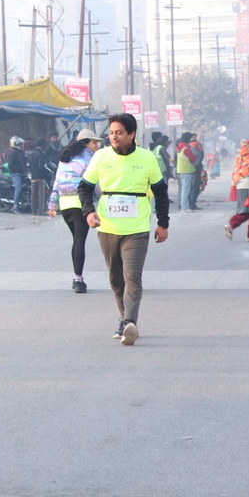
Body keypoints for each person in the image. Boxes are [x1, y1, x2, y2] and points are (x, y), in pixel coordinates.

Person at [78, 112, 170, 345]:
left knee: (133, 276)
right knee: (116, 279)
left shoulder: (147, 158)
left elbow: (160, 191)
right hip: (107, 227)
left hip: (137, 228)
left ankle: (130, 322)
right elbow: (84, 188)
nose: (114, 137)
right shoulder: (101, 157)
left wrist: (163, 223)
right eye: (111, 133)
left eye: (119, 133)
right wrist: (89, 212)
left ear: (131, 134)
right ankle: (124, 319)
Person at [48, 133, 102, 292]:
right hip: (80, 203)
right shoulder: (90, 158)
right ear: (86, 143)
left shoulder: (65, 157)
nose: (97, 146)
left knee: (77, 240)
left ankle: (76, 278)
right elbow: (95, 183)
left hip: (65, 205)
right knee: (79, 241)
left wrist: (52, 205)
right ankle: (78, 280)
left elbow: (57, 182)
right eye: (94, 143)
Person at [226, 140, 249, 242]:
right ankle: (246, 233)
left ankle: (236, 228)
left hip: (240, 187)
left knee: (246, 210)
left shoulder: (239, 158)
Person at [175, 131, 203, 211]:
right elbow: (193, 158)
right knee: (186, 190)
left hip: (181, 170)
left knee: (184, 189)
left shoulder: (180, 147)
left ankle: (184, 206)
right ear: (189, 139)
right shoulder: (186, 149)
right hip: (187, 170)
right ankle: (185, 207)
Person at [5, 136, 28, 210]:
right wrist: (20, 169)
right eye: (20, 144)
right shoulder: (12, 153)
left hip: (22, 173)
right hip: (15, 174)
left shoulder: (21, 152)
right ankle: (15, 206)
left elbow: (25, 161)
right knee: (18, 188)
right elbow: (10, 165)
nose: (22, 145)